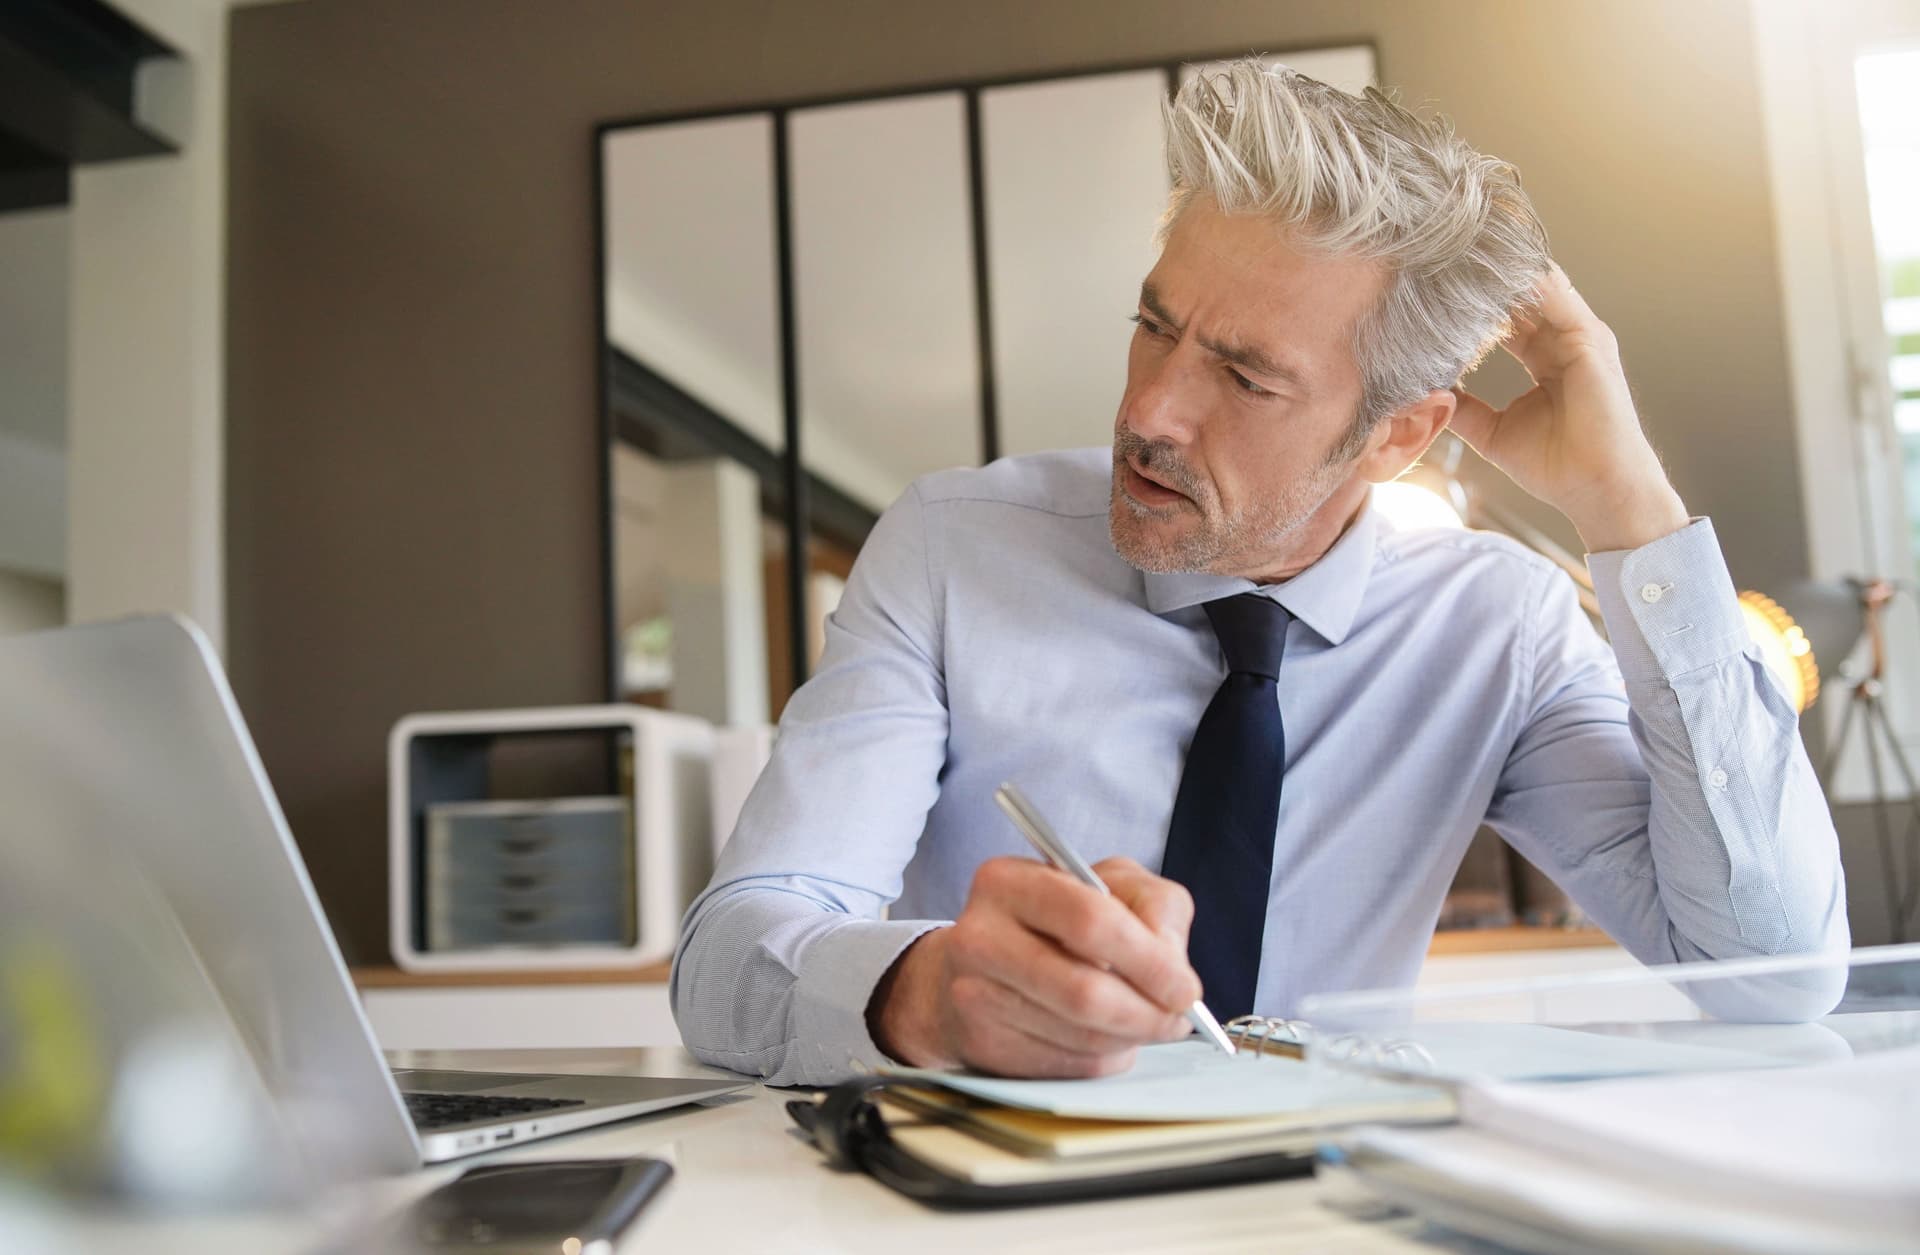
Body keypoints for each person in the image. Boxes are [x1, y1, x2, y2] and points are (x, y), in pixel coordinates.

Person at [671, 60, 1849, 1087]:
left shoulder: (1502, 629)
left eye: (1244, 376)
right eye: (1155, 323)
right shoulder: (951, 548)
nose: (1150, 411)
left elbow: (1770, 978)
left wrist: (1630, 514)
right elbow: (731, 961)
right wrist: (919, 993)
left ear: (1399, 434)